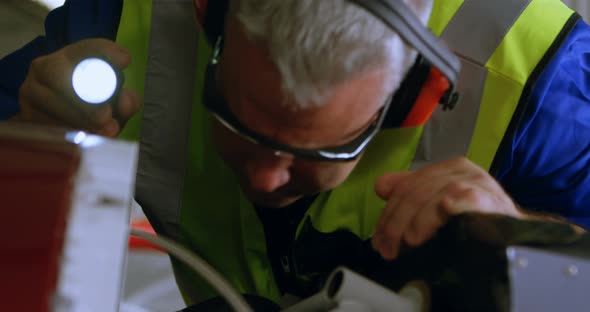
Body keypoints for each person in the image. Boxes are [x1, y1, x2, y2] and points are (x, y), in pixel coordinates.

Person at [1, 0, 590, 306]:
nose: (264, 177)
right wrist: (29, 143)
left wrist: (525, 240)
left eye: (319, 147)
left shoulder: (542, 85)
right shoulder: (127, 16)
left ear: (414, 96)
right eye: (239, 120)